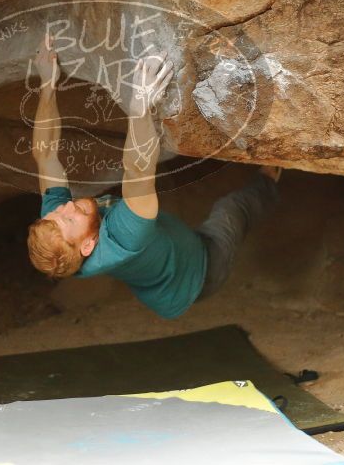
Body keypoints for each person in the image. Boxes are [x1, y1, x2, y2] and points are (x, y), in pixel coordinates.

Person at [26, 34, 280, 319]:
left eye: (60, 211)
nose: (68, 206)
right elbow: (137, 170)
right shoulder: (123, 238)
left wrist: (47, 83)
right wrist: (140, 107)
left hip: (168, 263)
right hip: (201, 273)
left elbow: (44, 155)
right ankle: (273, 174)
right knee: (231, 209)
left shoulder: (57, 231)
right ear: (88, 246)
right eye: (70, 219)